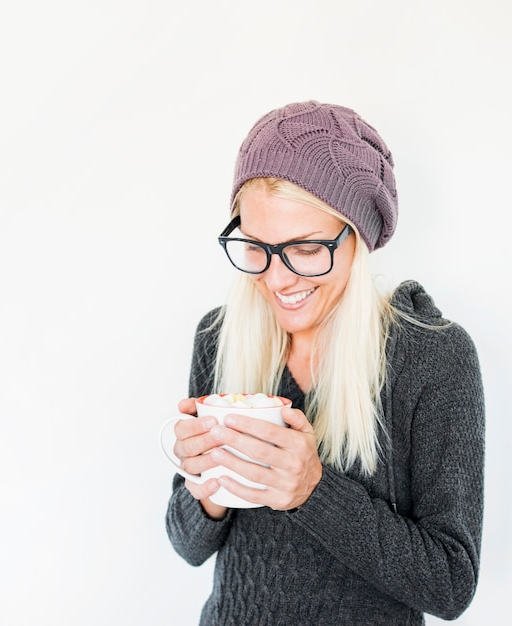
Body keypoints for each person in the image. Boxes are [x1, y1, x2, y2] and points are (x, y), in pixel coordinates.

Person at [164, 101, 485, 625]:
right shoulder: (219, 338)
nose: (277, 279)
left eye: (306, 249)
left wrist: (314, 490)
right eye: (256, 246)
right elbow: (188, 546)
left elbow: (451, 584)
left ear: (356, 238)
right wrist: (204, 487)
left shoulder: (432, 357)